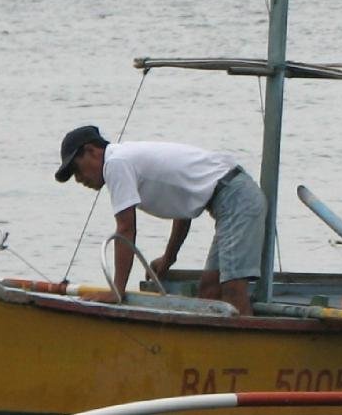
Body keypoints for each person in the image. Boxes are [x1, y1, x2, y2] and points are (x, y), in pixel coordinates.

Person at [54, 124, 266, 315]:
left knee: (233, 290)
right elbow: (182, 210)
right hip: (230, 196)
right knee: (209, 290)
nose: (79, 179)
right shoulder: (124, 159)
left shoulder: (115, 163)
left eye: (76, 170)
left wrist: (116, 290)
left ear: (91, 151)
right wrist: (169, 257)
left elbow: (126, 228)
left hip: (234, 197)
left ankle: (248, 354)